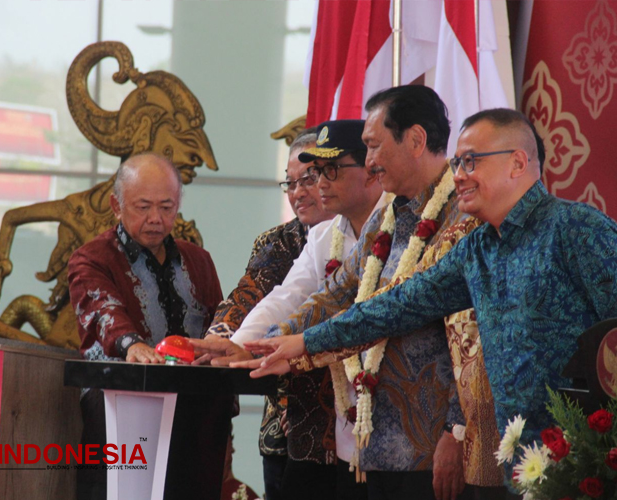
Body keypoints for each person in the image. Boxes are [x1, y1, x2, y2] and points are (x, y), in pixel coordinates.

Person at [239, 108, 617, 496]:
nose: (459, 175)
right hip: (515, 462)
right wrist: (304, 343)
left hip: (586, 458)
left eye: (471, 161)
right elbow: (396, 306)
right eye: (457, 163)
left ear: (517, 162)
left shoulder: (576, 229)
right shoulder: (477, 249)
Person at [230, 86, 467, 500]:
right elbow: (336, 293)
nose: (372, 162)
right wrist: (256, 346)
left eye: (373, 146)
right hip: (375, 448)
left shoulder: (463, 218)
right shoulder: (393, 212)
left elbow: (398, 314)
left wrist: (457, 428)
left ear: (414, 141)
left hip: (435, 453)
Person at [202, 119, 383, 500]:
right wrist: (242, 345)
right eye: (306, 176)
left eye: (327, 171)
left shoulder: (402, 226)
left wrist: (290, 345)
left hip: (398, 419)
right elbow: (288, 297)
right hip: (329, 424)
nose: (316, 185)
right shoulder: (322, 236)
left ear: (371, 169)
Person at [68, 152, 223, 500]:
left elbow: (219, 329)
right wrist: (131, 345)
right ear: (116, 205)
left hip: (195, 418)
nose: (156, 219)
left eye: (167, 207)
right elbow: (101, 310)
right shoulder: (92, 258)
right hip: (120, 412)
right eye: (143, 207)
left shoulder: (199, 261)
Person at [205, 127, 331, 500]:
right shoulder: (278, 241)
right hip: (286, 424)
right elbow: (250, 294)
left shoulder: (367, 232)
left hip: (345, 421)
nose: (298, 193)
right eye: (289, 183)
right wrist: (221, 339)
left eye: (308, 179)